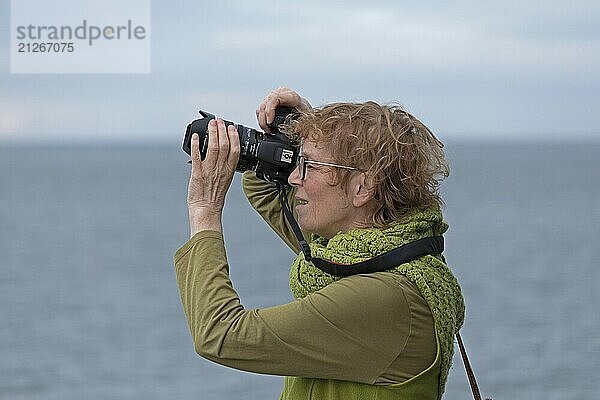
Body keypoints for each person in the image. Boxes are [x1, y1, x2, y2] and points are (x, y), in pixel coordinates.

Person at [174, 87, 465, 400]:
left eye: (309, 166)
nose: (294, 177)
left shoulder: (386, 296)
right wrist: (300, 132)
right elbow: (264, 189)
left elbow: (221, 334)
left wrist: (205, 210)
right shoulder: (369, 255)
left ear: (363, 187)